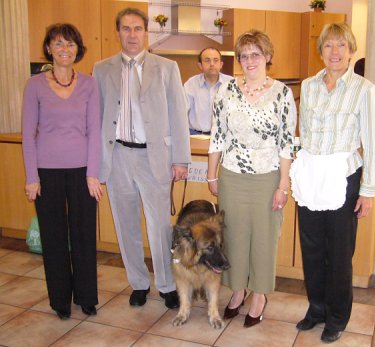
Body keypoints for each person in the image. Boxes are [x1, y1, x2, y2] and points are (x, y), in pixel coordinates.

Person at [92, 8, 190, 309]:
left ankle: (166, 284)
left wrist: (181, 159)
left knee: (160, 225)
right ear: (118, 32)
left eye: (137, 28)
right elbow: (96, 119)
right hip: (118, 155)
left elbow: (178, 115)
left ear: (146, 32)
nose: (132, 34)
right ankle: (138, 282)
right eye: (125, 28)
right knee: (126, 224)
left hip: (154, 157)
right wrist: (95, 165)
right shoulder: (101, 69)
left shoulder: (167, 67)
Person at [290, 23, 375, 343]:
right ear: (321, 51)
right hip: (312, 173)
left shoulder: (364, 89)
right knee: (311, 247)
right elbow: (303, 134)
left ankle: (338, 316)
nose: (335, 52)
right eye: (329, 46)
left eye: (342, 46)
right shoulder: (309, 86)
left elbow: (372, 143)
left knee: (339, 252)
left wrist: (368, 190)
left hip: (343, 177)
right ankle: (316, 308)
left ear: (351, 50)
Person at [207, 30, 297, 328]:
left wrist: (284, 185)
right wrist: (211, 173)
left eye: (255, 54)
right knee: (234, 238)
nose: (249, 60)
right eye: (243, 55)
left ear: (267, 57)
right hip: (232, 175)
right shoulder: (226, 90)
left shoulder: (282, 93)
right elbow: (217, 135)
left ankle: (259, 295)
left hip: (267, 177)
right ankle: (238, 290)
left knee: (263, 238)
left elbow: (287, 143)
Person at [22, 23, 102, 320]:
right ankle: (60, 301)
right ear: (49, 49)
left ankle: (86, 296)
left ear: (77, 49)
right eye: (58, 44)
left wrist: (93, 174)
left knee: (83, 235)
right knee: (53, 237)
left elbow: (95, 131)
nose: (64, 49)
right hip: (47, 171)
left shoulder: (90, 84)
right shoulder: (35, 85)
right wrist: (32, 177)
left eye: (70, 44)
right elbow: (28, 134)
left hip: (83, 171)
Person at [184, 47, 232, 135]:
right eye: (207, 60)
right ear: (200, 65)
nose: (212, 64)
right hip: (196, 135)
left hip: (224, 136)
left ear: (221, 64)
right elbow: (182, 110)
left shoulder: (231, 84)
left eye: (216, 60)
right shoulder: (191, 84)